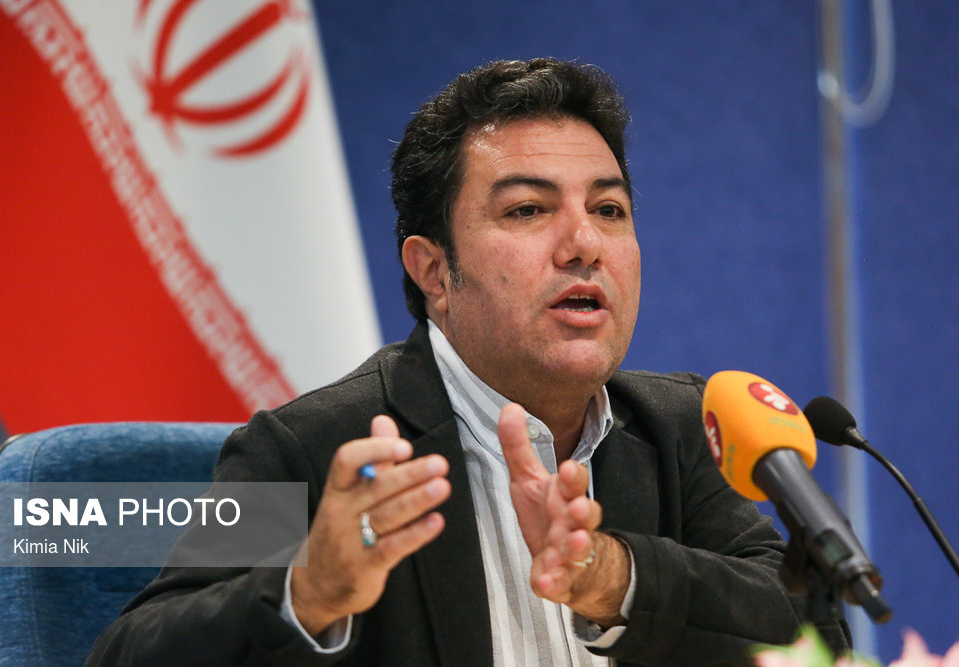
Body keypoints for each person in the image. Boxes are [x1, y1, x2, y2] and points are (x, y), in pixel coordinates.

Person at [88, 58, 849, 666]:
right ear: (434, 271)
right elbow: (132, 652)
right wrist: (309, 591)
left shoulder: (680, 428)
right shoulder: (315, 449)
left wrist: (612, 576)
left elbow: (808, 635)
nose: (584, 243)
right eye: (527, 209)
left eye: (609, 209)